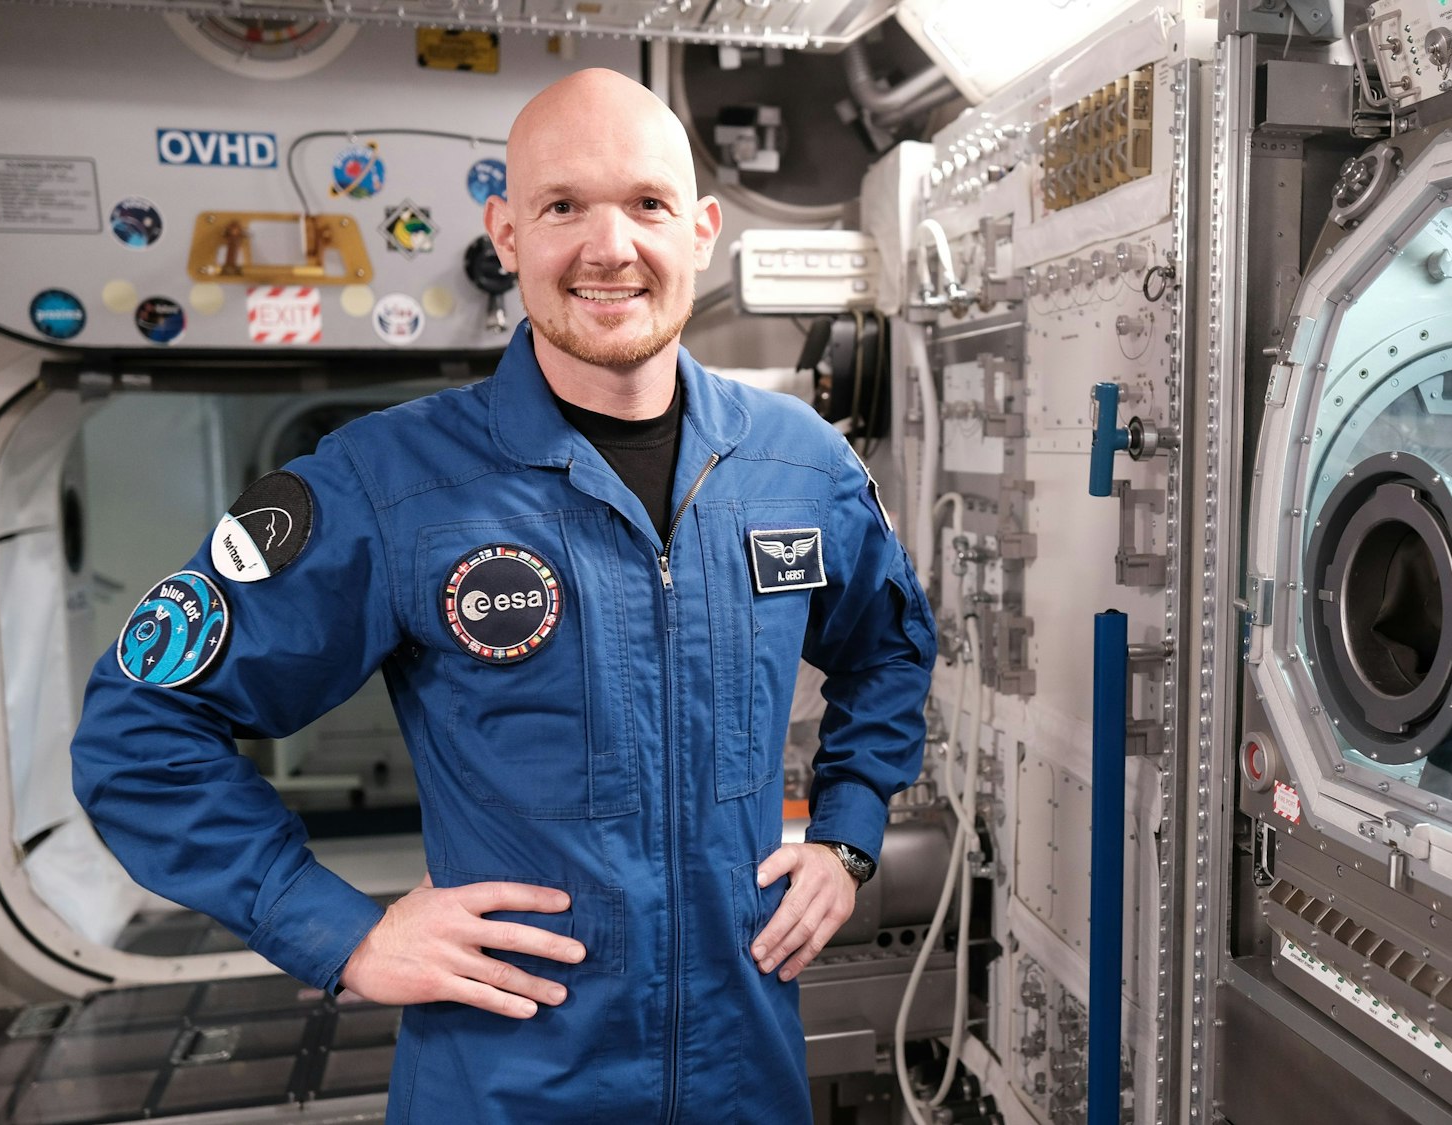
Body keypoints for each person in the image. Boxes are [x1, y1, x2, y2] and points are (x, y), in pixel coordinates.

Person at [70, 68, 936, 1123]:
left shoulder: (801, 468)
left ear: (700, 230)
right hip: (509, 1083)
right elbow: (141, 723)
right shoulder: (385, 486)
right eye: (563, 205)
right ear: (507, 231)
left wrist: (846, 833)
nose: (609, 247)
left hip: (741, 1072)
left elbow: (889, 649)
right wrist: (339, 932)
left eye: (647, 204)